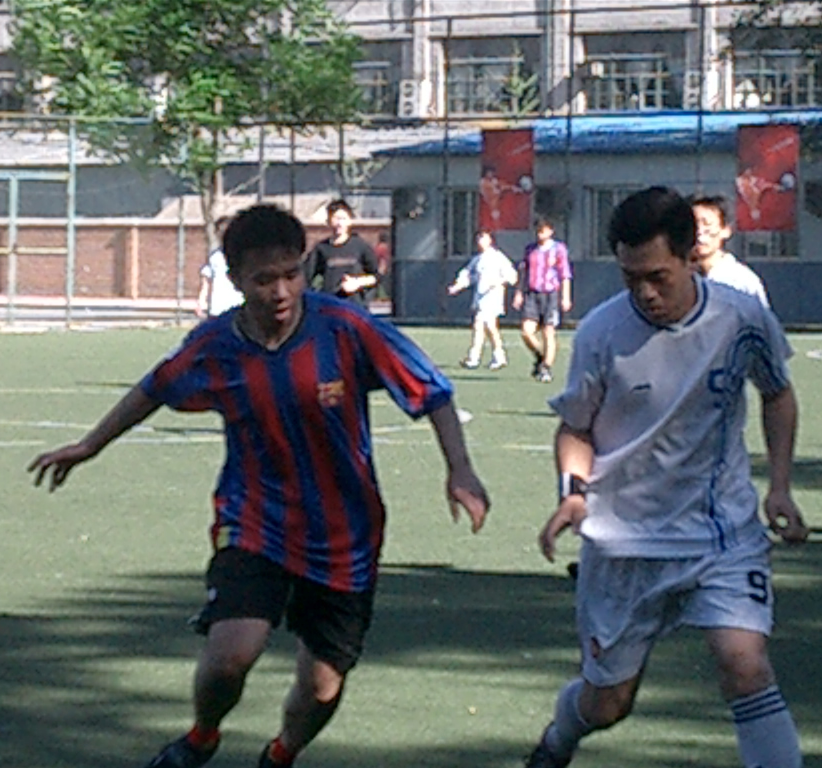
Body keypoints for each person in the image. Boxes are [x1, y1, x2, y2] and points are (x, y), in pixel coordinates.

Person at [28, 204, 490, 768]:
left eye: (291, 274)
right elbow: (155, 387)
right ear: (237, 280)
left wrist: (460, 469)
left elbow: (433, 390)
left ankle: (281, 753)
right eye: (264, 279)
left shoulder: (346, 328)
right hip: (255, 521)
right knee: (230, 657)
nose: (281, 290)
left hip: (345, 534)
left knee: (322, 688)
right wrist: (91, 444)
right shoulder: (215, 344)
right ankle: (201, 737)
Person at [525, 187, 808, 768]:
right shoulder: (601, 332)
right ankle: (558, 740)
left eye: (658, 277)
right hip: (624, 544)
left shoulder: (741, 318)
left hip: (721, 535)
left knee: (745, 666)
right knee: (608, 704)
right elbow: (575, 428)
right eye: (631, 278)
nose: (645, 293)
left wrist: (779, 486)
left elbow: (777, 393)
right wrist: (572, 494)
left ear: (688, 258)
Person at [512, 217, 573, 383]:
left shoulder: (558, 249)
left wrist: (566, 297)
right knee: (526, 331)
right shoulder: (530, 249)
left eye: (543, 231)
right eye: (538, 231)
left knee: (548, 331)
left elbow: (565, 274)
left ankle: (546, 367)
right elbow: (523, 272)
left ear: (550, 231)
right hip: (532, 294)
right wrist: (519, 292)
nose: (540, 234)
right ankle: (540, 356)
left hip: (550, 294)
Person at [446, 230, 518, 370]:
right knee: (485, 326)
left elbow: (511, 276)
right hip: (481, 297)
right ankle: (496, 356)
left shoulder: (498, 257)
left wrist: (497, 282)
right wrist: (457, 286)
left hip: (493, 296)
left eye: (484, 238)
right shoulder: (478, 259)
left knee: (483, 324)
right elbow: (469, 275)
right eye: (479, 238)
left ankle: (476, 357)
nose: (481, 241)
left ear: (490, 240)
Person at [690, 195, 770, 307]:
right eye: (694, 225)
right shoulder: (682, 278)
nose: (699, 231)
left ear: (726, 230)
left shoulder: (741, 280)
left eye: (707, 224)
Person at [305, 199, 379, 306]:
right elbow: (305, 277)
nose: (339, 223)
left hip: (355, 307)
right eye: (336, 218)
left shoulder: (360, 245)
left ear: (350, 221)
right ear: (328, 221)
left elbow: (376, 276)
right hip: (330, 306)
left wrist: (358, 282)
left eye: (343, 218)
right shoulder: (321, 248)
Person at [196, 215, 244, 318]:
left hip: (238, 307)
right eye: (220, 231)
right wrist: (201, 301)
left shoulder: (244, 255)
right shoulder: (215, 256)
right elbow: (206, 281)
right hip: (217, 308)